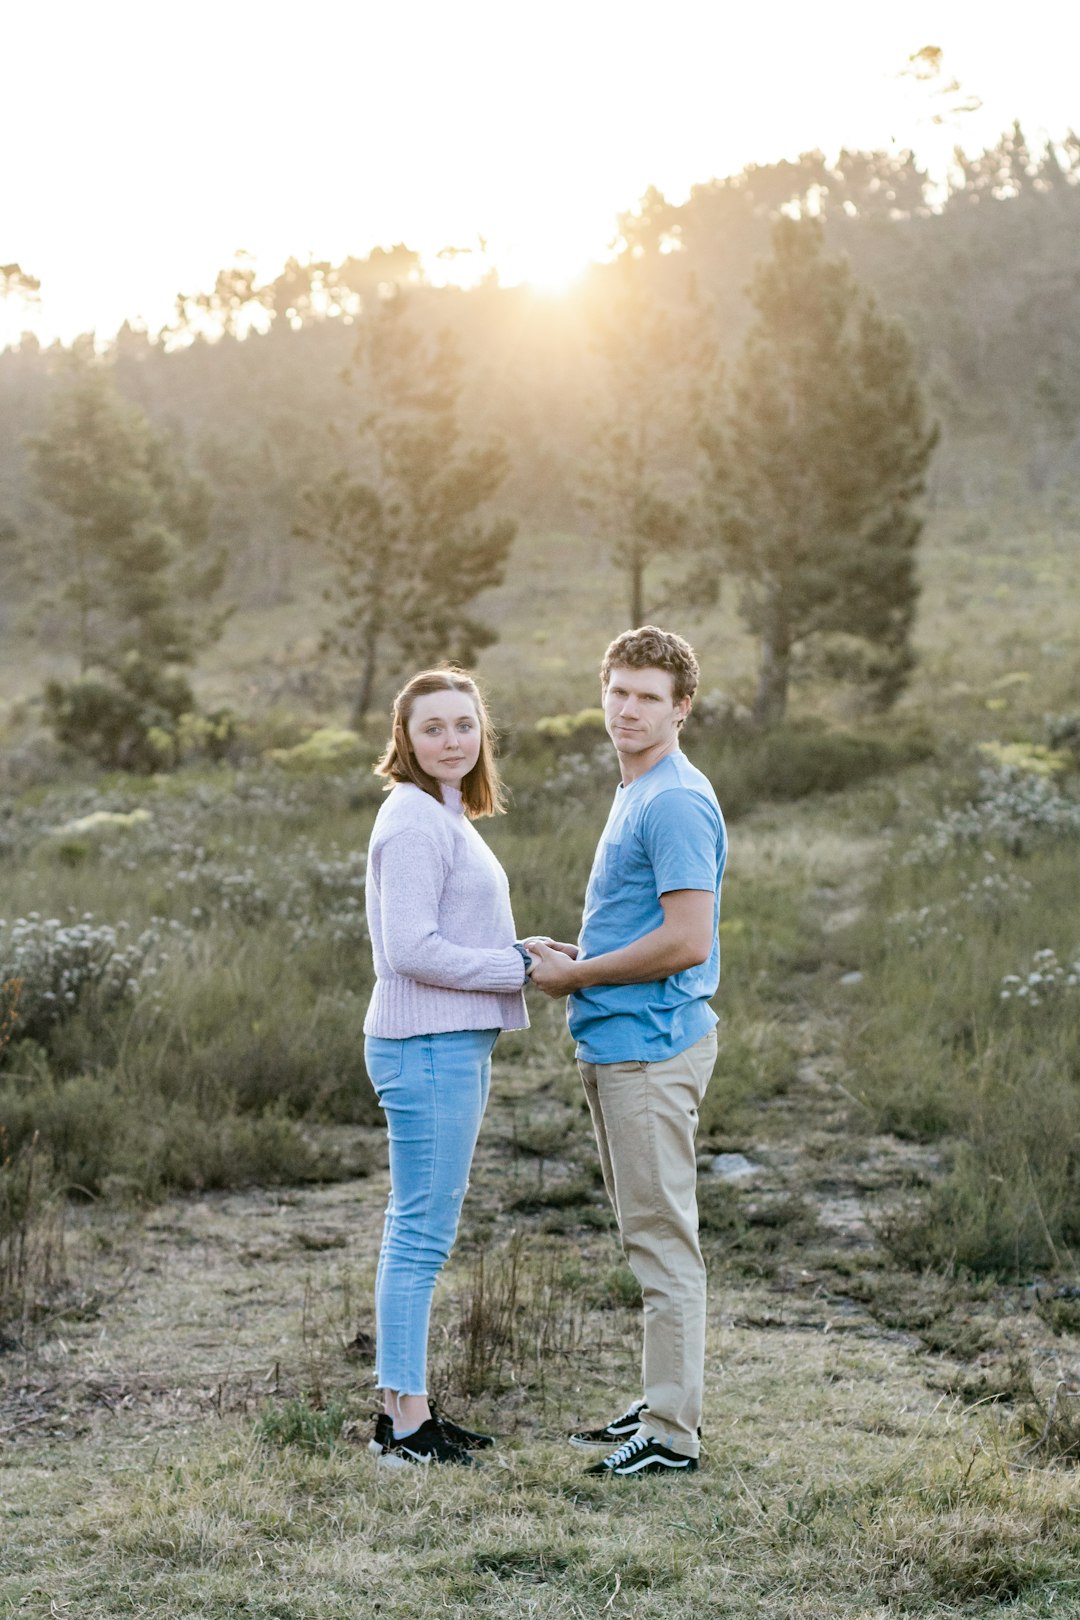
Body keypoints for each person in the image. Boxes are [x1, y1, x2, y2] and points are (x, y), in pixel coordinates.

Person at [528, 626, 726, 1478]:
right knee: (644, 1231)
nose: (628, 709)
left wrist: (580, 980)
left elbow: (687, 939)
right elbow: (644, 923)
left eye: (648, 697)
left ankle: (674, 1434)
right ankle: (658, 1405)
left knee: (661, 1239)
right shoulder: (637, 788)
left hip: (649, 1049)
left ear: (681, 708)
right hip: (622, 1040)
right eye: (618, 691)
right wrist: (583, 957)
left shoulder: (674, 799)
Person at [362, 667, 536, 1467]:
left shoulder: (446, 813)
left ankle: (409, 1411)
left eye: (464, 725)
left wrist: (522, 952)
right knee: (420, 1236)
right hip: (425, 1047)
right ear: (405, 737)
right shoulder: (412, 819)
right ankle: (402, 1431)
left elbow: (453, 931)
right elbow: (410, 950)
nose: (451, 739)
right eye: (433, 727)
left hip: (444, 1044)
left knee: (420, 1228)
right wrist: (514, 970)